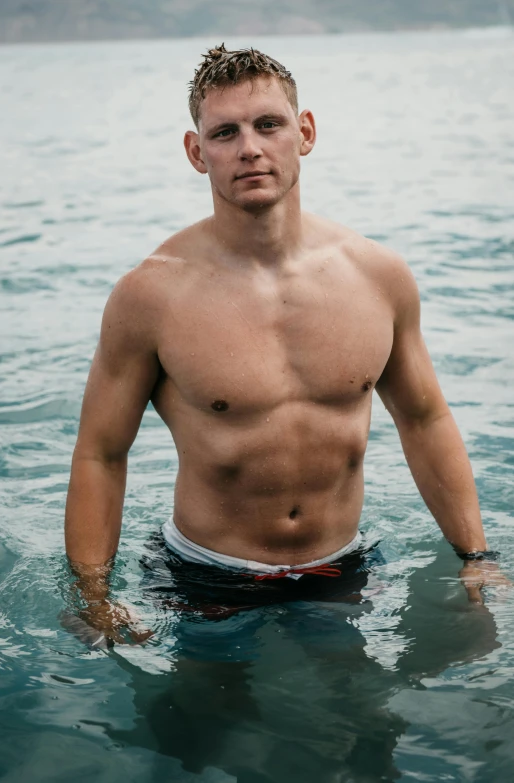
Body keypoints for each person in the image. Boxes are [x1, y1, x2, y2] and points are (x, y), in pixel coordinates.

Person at [64, 44, 506, 644]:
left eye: (268, 124)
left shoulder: (378, 276)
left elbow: (425, 419)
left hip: (341, 565)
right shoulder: (151, 296)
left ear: (305, 132)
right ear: (197, 153)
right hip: (205, 576)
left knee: (362, 730)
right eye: (225, 132)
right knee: (203, 735)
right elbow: (100, 452)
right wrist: (93, 596)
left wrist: (476, 556)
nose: (250, 148)